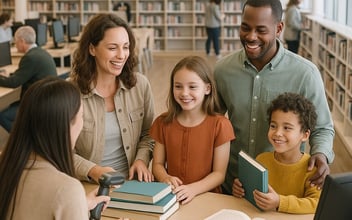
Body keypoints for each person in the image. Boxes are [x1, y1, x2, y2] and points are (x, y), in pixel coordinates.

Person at [213, 0, 335, 196]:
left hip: (283, 189)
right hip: (233, 184)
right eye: (245, 27)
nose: (251, 37)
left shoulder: (305, 74)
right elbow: (210, 123)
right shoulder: (222, 70)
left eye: (261, 30)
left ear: (278, 28)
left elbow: (322, 128)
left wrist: (321, 154)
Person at [0, 77, 111, 220]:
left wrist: (78, 206)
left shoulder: (6, 166)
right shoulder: (66, 189)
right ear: (65, 126)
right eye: (82, 116)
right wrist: (72, 202)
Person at [70, 13, 155, 183]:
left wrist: (141, 160)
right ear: (92, 48)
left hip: (132, 184)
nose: (122, 55)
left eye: (125, 47)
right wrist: (94, 170)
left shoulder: (140, 86)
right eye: (112, 48)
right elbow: (59, 151)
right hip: (87, 186)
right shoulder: (70, 92)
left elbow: (149, 134)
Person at [150, 56, 235, 205]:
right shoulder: (162, 122)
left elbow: (219, 174)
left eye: (192, 87)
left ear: (207, 89)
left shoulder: (221, 125)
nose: (184, 93)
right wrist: (164, 178)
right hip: (171, 198)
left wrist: (193, 189)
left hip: (207, 199)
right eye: (178, 86)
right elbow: (157, 164)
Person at [233, 92, 321, 214]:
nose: (278, 133)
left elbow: (316, 203)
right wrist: (241, 190)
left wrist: (280, 202)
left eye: (287, 128)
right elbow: (254, 196)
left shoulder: (312, 169)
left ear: (305, 135)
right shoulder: (262, 160)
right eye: (273, 126)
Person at [0, 25, 57, 132]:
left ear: (22, 41)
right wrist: (12, 75)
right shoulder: (41, 52)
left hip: (37, 104)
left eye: (16, 42)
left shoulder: (30, 57)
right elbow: (25, 74)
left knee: (2, 116)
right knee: (11, 105)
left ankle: (22, 140)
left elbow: (14, 83)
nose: (15, 45)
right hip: (47, 100)